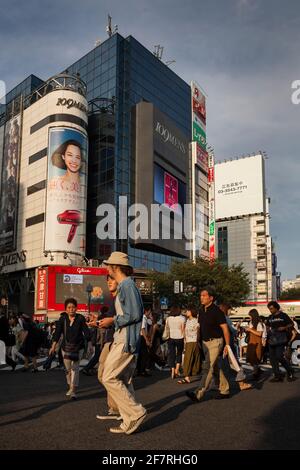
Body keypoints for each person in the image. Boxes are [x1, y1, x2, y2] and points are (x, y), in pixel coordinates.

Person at [99, 252, 147, 435]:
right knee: (123, 380)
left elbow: (134, 314)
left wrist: (112, 321)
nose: (107, 268)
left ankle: (135, 412)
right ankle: (129, 419)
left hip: (125, 340)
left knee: (108, 377)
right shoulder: (126, 285)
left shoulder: (127, 285)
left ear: (115, 267)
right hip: (125, 339)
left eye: (108, 265)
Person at [186, 287, 231, 403]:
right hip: (205, 343)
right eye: (201, 295)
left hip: (216, 342)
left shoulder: (217, 311)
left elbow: (225, 329)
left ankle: (198, 393)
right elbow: (200, 327)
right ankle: (225, 389)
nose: (201, 297)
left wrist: (227, 345)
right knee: (214, 367)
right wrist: (198, 341)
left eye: (204, 295)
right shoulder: (201, 311)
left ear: (211, 298)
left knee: (208, 367)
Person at [49, 298, 92, 399]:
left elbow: (86, 331)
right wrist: (53, 346)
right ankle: (70, 385)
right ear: (66, 309)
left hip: (79, 347)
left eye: (73, 307)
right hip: (66, 348)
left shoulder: (80, 318)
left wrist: (89, 344)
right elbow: (57, 333)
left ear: (76, 308)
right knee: (68, 369)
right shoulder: (62, 319)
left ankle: (73, 390)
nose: (71, 309)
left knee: (75, 369)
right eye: (69, 307)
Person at [219, 303, 252, 391]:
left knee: (222, 366)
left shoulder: (217, 319)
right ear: (226, 309)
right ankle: (241, 383)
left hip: (219, 344)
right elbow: (233, 331)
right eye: (230, 310)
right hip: (228, 344)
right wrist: (237, 327)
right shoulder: (226, 318)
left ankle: (219, 385)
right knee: (236, 364)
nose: (230, 312)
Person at [266, 301, 295, 382]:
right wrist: (268, 330)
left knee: (279, 356)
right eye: (269, 309)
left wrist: (284, 327)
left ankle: (290, 370)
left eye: (271, 309)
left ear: (276, 307)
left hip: (281, 339)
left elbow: (291, 324)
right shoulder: (270, 317)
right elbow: (267, 325)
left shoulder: (283, 315)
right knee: (272, 359)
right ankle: (277, 375)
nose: (270, 310)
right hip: (272, 340)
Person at [177, 306, 200, 384]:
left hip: (193, 341)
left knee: (188, 358)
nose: (186, 312)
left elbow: (197, 331)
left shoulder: (195, 321)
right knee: (189, 358)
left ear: (191, 312)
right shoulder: (188, 321)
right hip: (188, 342)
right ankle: (189, 374)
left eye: (188, 311)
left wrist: (197, 341)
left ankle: (186, 377)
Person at [245, 309, 266, 380]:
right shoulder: (251, 322)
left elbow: (260, 334)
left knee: (256, 358)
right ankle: (257, 371)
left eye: (250, 316)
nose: (249, 317)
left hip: (257, 342)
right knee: (250, 358)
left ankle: (256, 374)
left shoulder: (259, 323)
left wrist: (250, 330)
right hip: (251, 341)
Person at [165, 305, 186, 379]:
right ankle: (177, 369)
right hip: (180, 337)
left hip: (171, 338)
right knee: (179, 353)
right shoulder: (182, 318)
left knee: (172, 354)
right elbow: (183, 329)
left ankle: (172, 370)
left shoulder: (168, 318)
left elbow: (167, 328)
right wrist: (185, 339)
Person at [136, 306, 152, 377]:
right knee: (144, 355)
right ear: (146, 311)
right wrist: (146, 340)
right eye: (149, 311)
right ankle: (142, 370)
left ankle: (140, 370)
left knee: (141, 355)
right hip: (142, 337)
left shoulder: (145, 318)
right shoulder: (143, 318)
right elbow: (142, 329)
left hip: (142, 337)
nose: (150, 313)